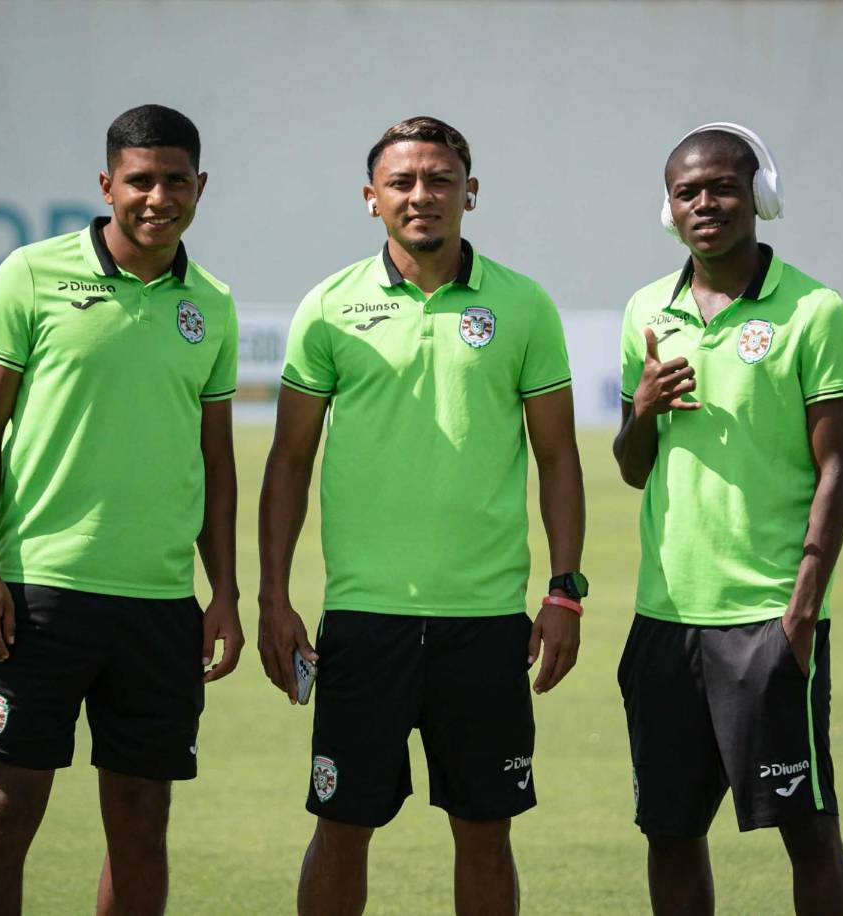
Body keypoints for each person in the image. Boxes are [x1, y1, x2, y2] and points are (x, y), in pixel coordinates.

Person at [257, 116, 586, 916]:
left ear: (470, 192)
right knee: (342, 825)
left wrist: (565, 590)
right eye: (401, 182)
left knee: (485, 830)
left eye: (439, 179)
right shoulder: (330, 305)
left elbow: (558, 459)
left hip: (485, 620)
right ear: (371, 199)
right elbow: (289, 460)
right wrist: (272, 595)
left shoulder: (524, 305)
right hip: (366, 620)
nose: (421, 195)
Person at [0, 104, 243, 916]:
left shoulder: (211, 303)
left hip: (158, 607)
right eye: (140, 180)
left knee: (143, 824)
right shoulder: (32, 273)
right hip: (37, 593)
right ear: (107, 183)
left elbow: (215, 462)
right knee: (7, 811)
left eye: (175, 181)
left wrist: (224, 593)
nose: (158, 197)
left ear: (200, 186)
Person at [612, 122, 843, 916]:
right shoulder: (647, 310)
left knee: (806, 828)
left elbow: (839, 469)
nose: (706, 203)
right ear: (669, 208)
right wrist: (643, 409)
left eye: (723, 186)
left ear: (759, 195)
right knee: (671, 832)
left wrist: (802, 609)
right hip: (665, 617)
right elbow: (631, 464)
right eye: (688, 191)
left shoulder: (813, 312)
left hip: (768, 618)